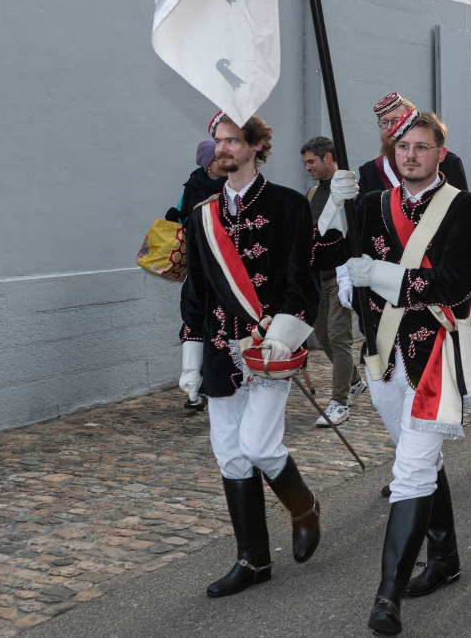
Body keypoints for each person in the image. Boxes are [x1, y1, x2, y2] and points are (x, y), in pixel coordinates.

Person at [316, 111, 471, 636]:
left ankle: (387, 598)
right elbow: (323, 256)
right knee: (421, 460)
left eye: (421, 146)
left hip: (435, 354)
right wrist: (333, 206)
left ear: (441, 153)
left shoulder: (465, 207)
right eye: (402, 147)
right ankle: (444, 558)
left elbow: (455, 284)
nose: (410, 155)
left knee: (411, 470)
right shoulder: (370, 204)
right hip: (382, 356)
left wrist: (379, 274)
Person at [179, 112, 326, 597]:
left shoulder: (288, 205)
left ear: (257, 145)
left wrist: (284, 334)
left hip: (269, 348)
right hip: (220, 349)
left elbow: (303, 281)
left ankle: (304, 508)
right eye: (217, 141)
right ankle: (253, 559)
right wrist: (191, 358)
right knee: (230, 453)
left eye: (231, 140)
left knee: (259, 445)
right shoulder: (202, 214)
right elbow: (196, 290)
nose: (221, 148)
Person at [300, 136, 366, 427]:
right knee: (323, 337)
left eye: (311, 162)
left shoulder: (350, 193)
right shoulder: (313, 192)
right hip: (317, 278)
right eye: (306, 163)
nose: (307, 168)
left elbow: (357, 236)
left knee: (339, 338)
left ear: (327, 158)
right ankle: (354, 381)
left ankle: (339, 403)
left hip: (342, 276)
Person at [171, 136, 227, 410]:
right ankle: (197, 384)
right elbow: (183, 217)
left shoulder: (234, 187)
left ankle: (212, 383)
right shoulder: (192, 186)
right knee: (194, 319)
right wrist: (176, 217)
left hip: (226, 267)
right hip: (198, 267)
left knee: (221, 326)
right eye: (217, 158)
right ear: (207, 164)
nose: (223, 161)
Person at [357, 92, 468, 198]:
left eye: (396, 120)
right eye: (384, 122)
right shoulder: (370, 171)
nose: (390, 127)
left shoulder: (448, 163)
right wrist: (346, 202)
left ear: (413, 121)